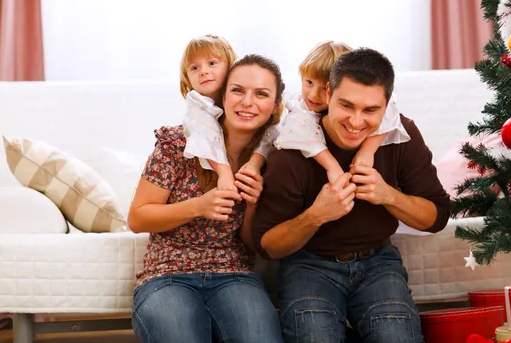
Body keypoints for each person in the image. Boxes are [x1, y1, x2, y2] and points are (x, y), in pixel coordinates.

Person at [253, 47, 451, 343]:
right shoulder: (293, 146)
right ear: (328, 93)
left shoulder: (401, 135)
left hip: (378, 263)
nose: (356, 122)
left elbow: (437, 217)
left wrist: (389, 196)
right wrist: (316, 215)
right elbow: (267, 245)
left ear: (387, 107)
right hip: (309, 264)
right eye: (346, 105)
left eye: (371, 110)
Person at [128, 53, 286, 343]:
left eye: (261, 94)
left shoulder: (273, 159)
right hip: (167, 275)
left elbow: (251, 245)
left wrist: (252, 205)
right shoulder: (178, 144)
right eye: (237, 90)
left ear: (275, 107)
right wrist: (198, 206)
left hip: (234, 274)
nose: (247, 103)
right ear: (223, 96)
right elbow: (137, 218)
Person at [274, 41, 410, 183]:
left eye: (322, 88)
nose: (313, 95)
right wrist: (332, 167)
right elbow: (303, 135)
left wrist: (367, 151)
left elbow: (388, 112)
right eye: (309, 82)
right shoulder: (299, 110)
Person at [179, 34, 278, 192]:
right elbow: (204, 135)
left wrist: (255, 162)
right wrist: (224, 172)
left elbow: (272, 130)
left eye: (212, 63)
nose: (203, 72)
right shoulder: (197, 105)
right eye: (194, 68)